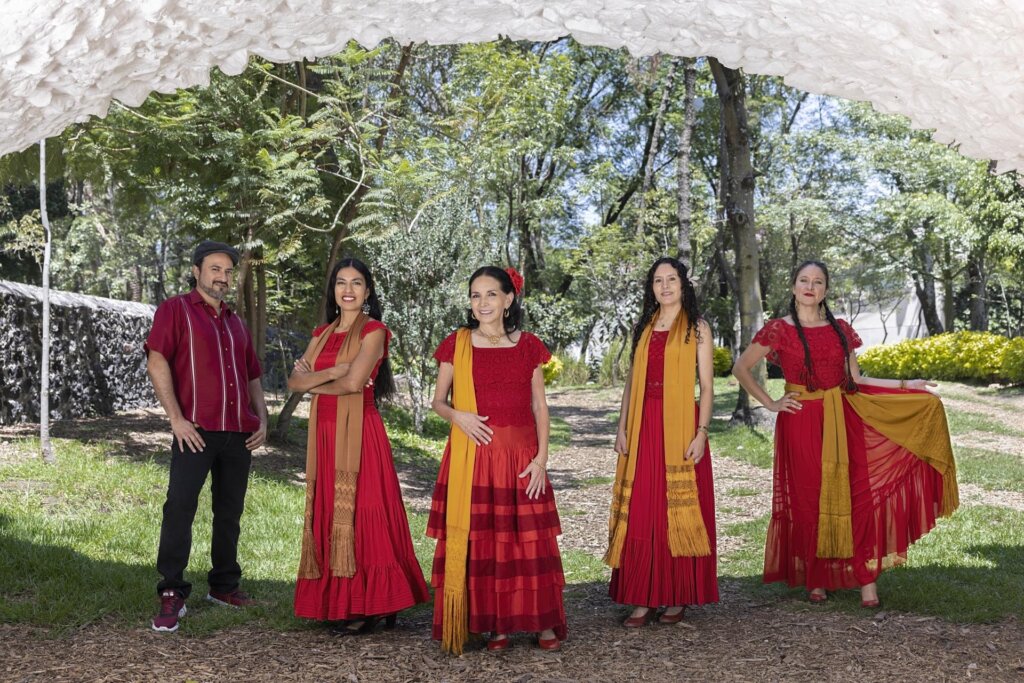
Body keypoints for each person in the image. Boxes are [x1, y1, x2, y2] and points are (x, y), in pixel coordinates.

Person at [732, 260, 958, 607]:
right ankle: (817, 577)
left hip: (843, 415)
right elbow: (741, 367)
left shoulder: (840, 328)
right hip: (800, 420)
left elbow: (856, 380)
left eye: (818, 281)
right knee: (810, 498)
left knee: (856, 496)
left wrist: (905, 384)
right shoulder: (779, 329)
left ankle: (867, 581)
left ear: (825, 289)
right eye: (804, 280)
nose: (810, 286)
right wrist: (771, 403)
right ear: (793, 287)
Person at [427, 266, 567, 654]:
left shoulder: (528, 346)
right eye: (475, 295)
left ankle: (541, 623)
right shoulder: (456, 345)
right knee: (484, 542)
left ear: (508, 300)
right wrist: (458, 416)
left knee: (528, 542)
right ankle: (495, 625)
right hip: (473, 458)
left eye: (491, 294)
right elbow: (438, 400)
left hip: (522, 457)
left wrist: (542, 459)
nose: (482, 302)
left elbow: (540, 406)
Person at [289, 257, 428, 633]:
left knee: (366, 512)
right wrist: (336, 370)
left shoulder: (375, 331)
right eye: (340, 283)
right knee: (331, 511)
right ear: (333, 290)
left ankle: (373, 604)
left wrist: (320, 379)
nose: (347, 290)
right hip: (325, 433)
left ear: (367, 292)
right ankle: (342, 602)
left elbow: (354, 386)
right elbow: (294, 384)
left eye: (356, 283)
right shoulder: (321, 332)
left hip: (360, 433)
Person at [146, 240, 268, 633]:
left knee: (229, 512)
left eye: (229, 271)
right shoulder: (175, 310)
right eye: (215, 268)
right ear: (197, 271)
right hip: (194, 431)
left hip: (237, 434)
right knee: (180, 507)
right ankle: (172, 592)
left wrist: (261, 419)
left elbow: (252, 374)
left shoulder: (235, 322)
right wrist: (176, 419)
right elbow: (157, 359)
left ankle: (224, 585)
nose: (223, 277)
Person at [606, 257, 719, 626]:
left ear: (683, 284)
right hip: (642, 423)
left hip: (680, 425)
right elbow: (630, 382)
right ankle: (640, 598)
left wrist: (701, 433)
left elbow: (707, 386)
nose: (665, 286)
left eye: (672, 279)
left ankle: (676, 595)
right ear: (651, 287)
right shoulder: (644, 327)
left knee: (674, 512)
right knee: (642, 510)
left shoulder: (698, 328)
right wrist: (622, 427)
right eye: (658, 280)